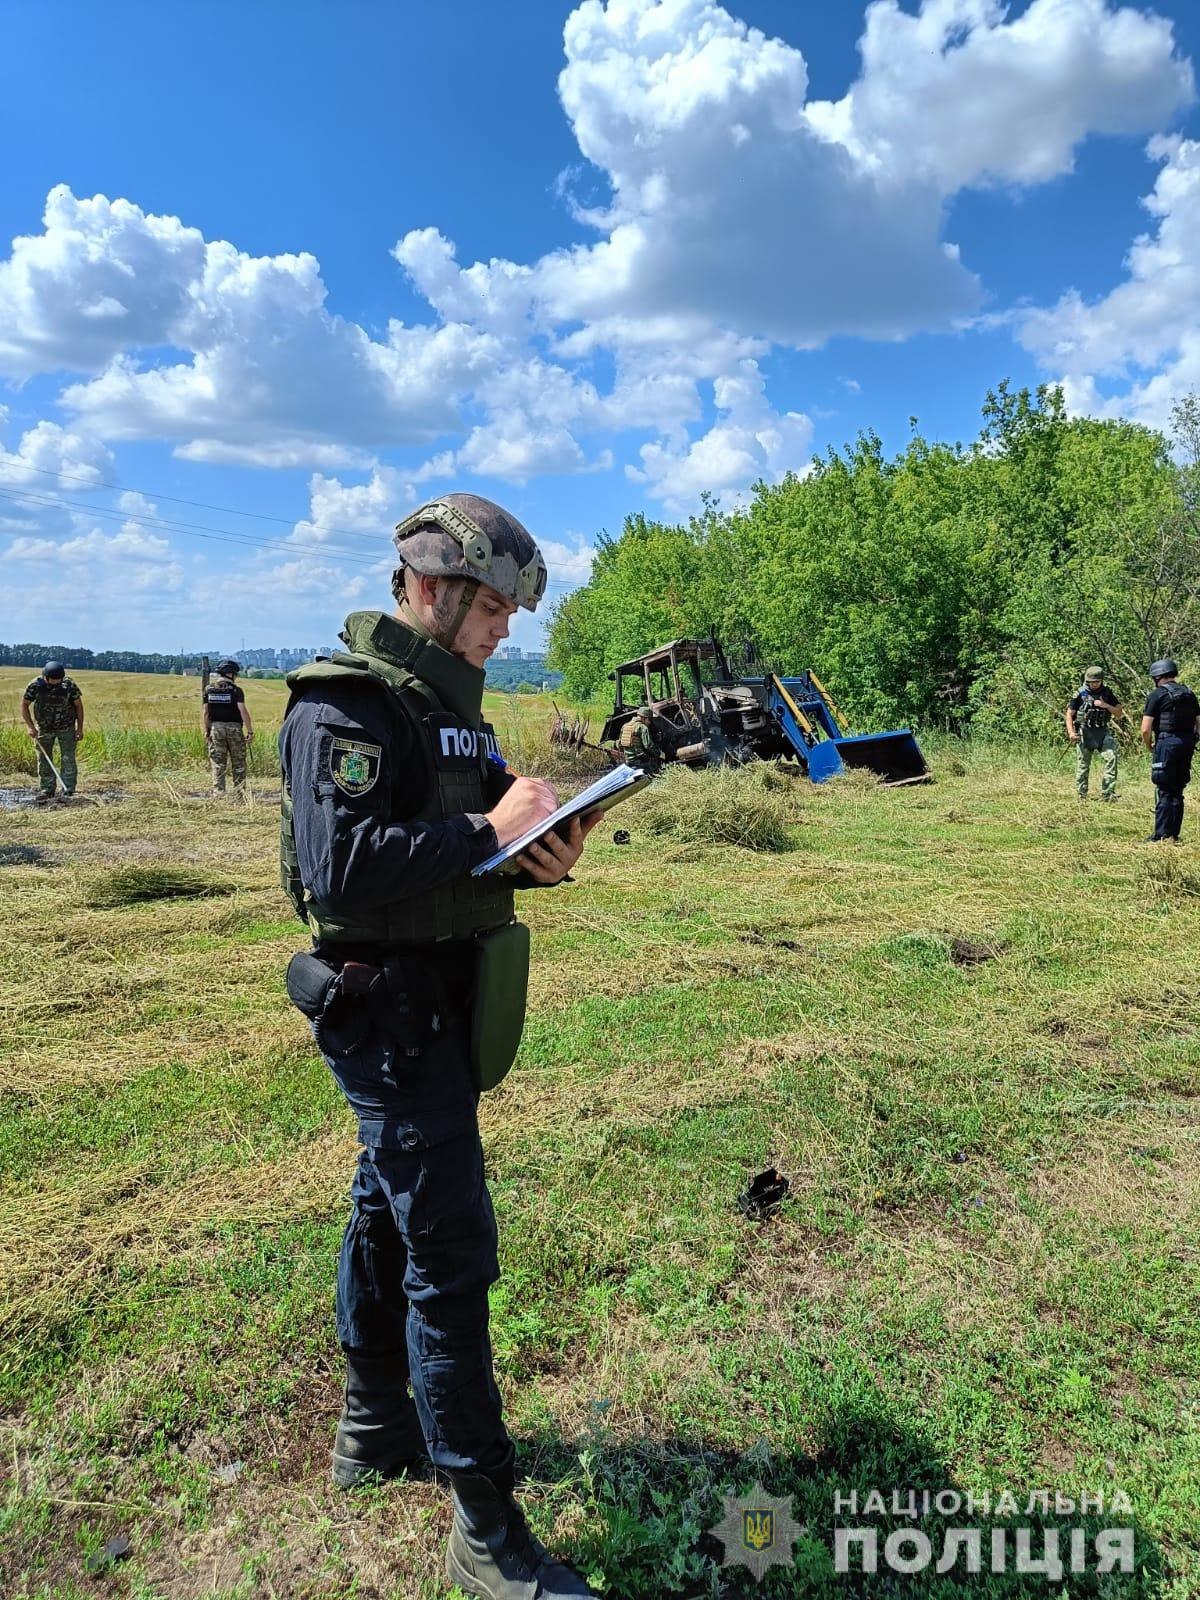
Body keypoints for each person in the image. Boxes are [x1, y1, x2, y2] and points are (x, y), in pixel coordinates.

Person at [279, 494, 601, 1600]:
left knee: (385, 1206)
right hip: (386, 1011)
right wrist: (486, 833)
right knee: (451, 1256)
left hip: (448, 1003)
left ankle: (373, 1432)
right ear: (431, 584)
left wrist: (536, 854)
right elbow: (346, 867)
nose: (505, 628)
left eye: (511, 610)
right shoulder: (345, 705)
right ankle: (486, 1530)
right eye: (495, 605)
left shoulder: (458, 712)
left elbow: (466, 849)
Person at [1141, 658, 1200, 843]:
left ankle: (1161, 836)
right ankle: (1174, 834)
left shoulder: (1157, 695)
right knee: (1178, 789)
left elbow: (1145, 728)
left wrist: (1149, 745)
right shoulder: (1189, 694)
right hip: (1187, 743)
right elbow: (1199, 722)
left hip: (1167, 744)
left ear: (1157, 676)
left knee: (1165, 789)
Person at [21, 661, 83, 802]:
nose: (56, 683)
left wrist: (79, 728)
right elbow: (24, 705)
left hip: (66, 727)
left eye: (58, 680)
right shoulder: (35, 686)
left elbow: (79, 706)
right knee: (44, 759)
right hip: (44, 728)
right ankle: (47, 789)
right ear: (45, 677)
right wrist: (30, 726)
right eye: (53, 680)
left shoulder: (69, 685)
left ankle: (69, 790)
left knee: (68, 758)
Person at [1065, 667, 1122, 801]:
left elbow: (1119, 712)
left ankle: (1108, 794)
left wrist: (1105, 705)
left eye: (1097, 681)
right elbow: (1069, 714)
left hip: (1102, 731)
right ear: (1087, 681)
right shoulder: (1079, 693)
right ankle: (1081, 795)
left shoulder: (1107, 693)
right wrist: (1071, 732)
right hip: (1084, 733)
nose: (1094, 684)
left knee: (1112, 757)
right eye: (1091, 681)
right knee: (1083, 765)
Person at [203, 659, 254, 796]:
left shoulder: (209, 689)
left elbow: (206, 713)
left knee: (218, 762)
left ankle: (219, 794)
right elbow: (243, 711)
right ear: (231, 674)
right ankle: (239, 794)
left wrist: (207, 731)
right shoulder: (236, 691)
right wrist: (249, 731)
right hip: (234, 728)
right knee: (238, 763)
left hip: (216, 728)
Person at [618, 705, 662, 772]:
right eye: (649, 720)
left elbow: (620, 743)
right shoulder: (642, 727)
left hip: (628, 760)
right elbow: (648, 746)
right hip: (640, 761)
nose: (650, 722)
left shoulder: (625, 726)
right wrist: (658, 754)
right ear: (644, 718)